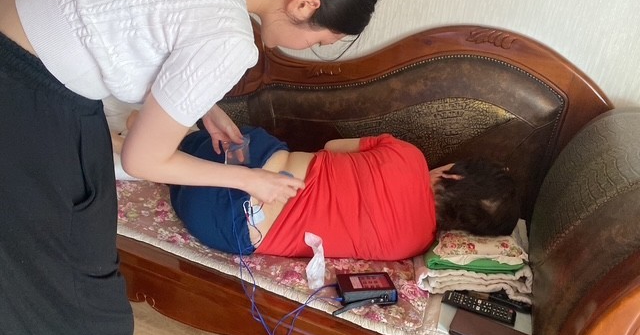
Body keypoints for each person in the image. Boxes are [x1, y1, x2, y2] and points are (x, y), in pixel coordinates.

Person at [0, 0, 382, 335]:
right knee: (79, 302)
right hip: (28, 99)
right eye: (321, 40)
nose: (309, 48)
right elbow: (142, 159)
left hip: (17, 51)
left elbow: (140, 27)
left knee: (42, 269)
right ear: (304, 5)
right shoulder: (230, 38)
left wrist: (203, 108)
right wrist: (250, 180)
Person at [165, 126, 521, 261]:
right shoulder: (414, 246)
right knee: (173, 178)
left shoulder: (409, 155)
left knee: (175, 146)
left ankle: (154, 149)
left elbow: (332, 146)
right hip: (223, 226)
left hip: (247, 159)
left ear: (453, 176)